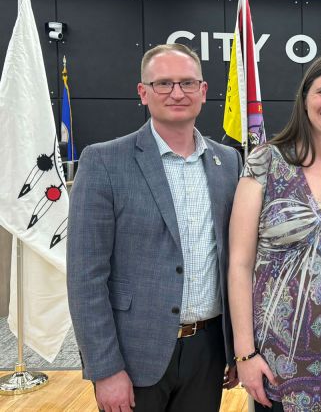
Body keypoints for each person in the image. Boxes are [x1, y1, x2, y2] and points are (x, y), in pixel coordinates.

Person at [67, 43, 242, 412]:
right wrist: (105, 369)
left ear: (204, 91)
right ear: (143, 93)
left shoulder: (228, 162)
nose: (177, 93)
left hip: (208, 352)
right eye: (163, 83)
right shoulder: (103, 161)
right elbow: (86, 277)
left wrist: (236, 348)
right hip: (133, 357)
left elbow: (234, 261)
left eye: (187, 83)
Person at [228, 56, 321, 412]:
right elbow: (239, 263)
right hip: (276, 361)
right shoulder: (266, 161)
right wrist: (244, 353)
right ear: (305, 99)